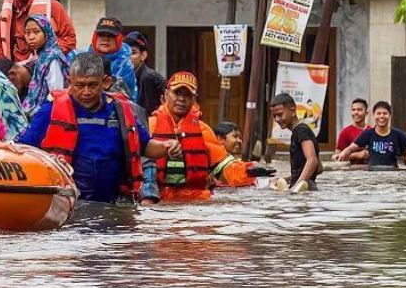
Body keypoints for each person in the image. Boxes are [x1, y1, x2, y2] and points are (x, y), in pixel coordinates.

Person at [0, 52, 172, 203]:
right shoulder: (52, 109)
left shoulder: (120, 111)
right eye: (79, 85)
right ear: (69, 82)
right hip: (68, 202)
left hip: (114, 202)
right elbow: (25, 146)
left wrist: (167, 147)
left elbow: (146, 147)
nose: (86, 92)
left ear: (106, 82)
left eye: (93, 85)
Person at [150, 71, 263, 201]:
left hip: (195, 201)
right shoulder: (149, 126)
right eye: (177, 93)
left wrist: (249, 171)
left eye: (187, 95)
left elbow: (224, 168)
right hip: (158, 199)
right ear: (166, 95)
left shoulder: (203, 130)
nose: (181, 99)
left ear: (194, 99)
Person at [334, 101, 406, 169]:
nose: (381, 116)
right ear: (373, 115)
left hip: (392, 171)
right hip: (373, 172)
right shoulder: (368, 133)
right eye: (378, 113)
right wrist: (342, 154)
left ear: (390, 116)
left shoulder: (397, 134)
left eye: (385, 113)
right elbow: (350, 148)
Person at [71, 18, 137, 97]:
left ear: (119, 39)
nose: (105, 39)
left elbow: (127, 97)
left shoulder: (125, 65)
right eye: (101, 35)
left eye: (111, 36)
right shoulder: (79, 60)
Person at [269, 92, 321, 191]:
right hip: (307, 187)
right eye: (274, 116)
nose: (277, 119)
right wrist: (287, 179)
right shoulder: (301, 131)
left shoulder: (301, 130)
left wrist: (296, 188)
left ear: (292, 111)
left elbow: (312, 160)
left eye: (280, 114)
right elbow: (319, 168)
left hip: (305, 189)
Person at [22, 15, 69, 115]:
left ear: (46, 33)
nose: (31, 37)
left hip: (47, 115)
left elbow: (57, 93)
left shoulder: (53, 58)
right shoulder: (41, 56)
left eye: (36, 31)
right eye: (27, 32)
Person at [125, 31, 166, 115]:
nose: (128, 57)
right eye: (125, 52)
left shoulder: (150, 78)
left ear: (143, 55)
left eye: (133, 53)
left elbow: (146, 112)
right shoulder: (122, 75)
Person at [334, 98, 370, 163]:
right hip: (351, 170)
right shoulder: (345, 132)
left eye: (359, 110)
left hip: (370, 170)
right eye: (353, 110)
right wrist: (357, 155)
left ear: (366, 113)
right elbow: (337, 156)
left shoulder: (371, 130)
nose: (356, 112)